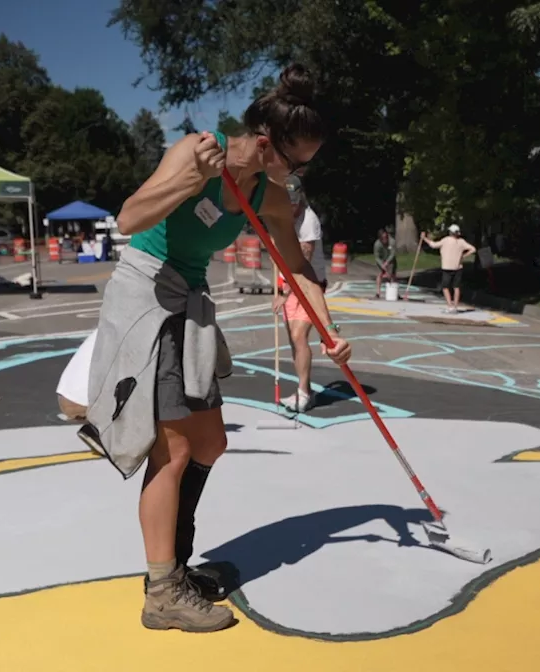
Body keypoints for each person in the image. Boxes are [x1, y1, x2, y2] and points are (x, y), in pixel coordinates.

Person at [78, 63, 351, 634]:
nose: (300, 173)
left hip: (191, 301)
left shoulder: (268, 194)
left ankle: (176, 565)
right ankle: (162, 591)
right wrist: (188, 180)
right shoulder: (196, 151)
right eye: (296, 161)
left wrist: (329, 330)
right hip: (147, 299)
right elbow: (129, 217)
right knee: (171, 453)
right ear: (263, 141)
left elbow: (298, 267)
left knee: (212, 441)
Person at [272, 176, 327, 412]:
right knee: (294, 341)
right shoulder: (282, 215)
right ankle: (304, 390)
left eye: (293, 202)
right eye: (287, 202)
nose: (291, 207)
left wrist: (284, 293)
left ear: (301, 197)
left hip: (308, 284)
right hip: (289, 282)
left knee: (298, 336)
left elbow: (303, 262)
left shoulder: (308, 221)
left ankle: (304, 393)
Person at [421, 224, 476, 313]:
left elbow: (434, 245)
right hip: (458, 267)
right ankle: (455, 306)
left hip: (447, 267)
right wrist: (463, 255)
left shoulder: (446, 240)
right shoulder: (461, 242)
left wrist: (424, 238)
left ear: (450, 232)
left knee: (445, 287)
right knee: (456, 287)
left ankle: (450, 305)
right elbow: (473, 249)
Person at [372, 228, 396, 297]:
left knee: (392, 275)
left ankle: (393, 292)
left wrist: (387, 262)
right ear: (380, 238)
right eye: (383, 238)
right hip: (381, 259)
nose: (385, 240)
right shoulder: (377, 245)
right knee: (379, 274)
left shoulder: (392, 242)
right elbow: (377, 257)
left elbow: (393, 254)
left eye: (386, 237)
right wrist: (382, 265)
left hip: (390, 259)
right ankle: (378, 292)